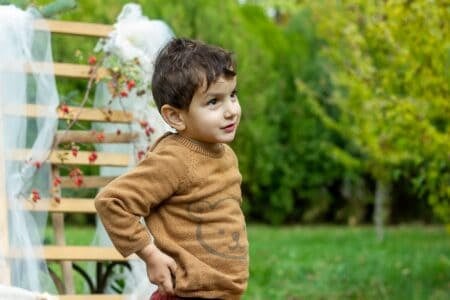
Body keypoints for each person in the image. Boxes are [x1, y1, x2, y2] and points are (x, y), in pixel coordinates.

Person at [95, 37, 248, 300]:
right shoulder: (174, 158)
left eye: (232, 96)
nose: (230, 111)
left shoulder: (225, 155)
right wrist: (150, 254)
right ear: (176, 116)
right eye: (214, 102)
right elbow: (112, 201)